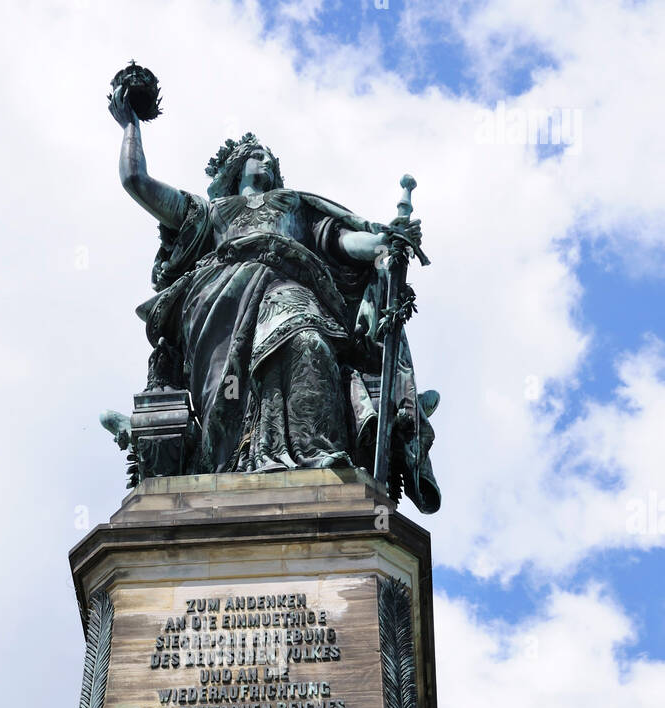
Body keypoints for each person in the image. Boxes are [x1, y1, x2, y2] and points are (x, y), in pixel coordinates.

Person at [107, 83, 439, 510]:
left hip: (291, 286)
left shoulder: (293, 206)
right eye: (256, 154)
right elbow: (136, 182)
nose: (265, 160)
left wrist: (383, 247)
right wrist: (130, 126)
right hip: (219, 303)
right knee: (224, 396)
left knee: (309, 342)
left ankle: (317, 459)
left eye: (270, 157)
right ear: (235, 166)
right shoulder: (209, 214)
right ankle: (227, 467)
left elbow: (338, 241)